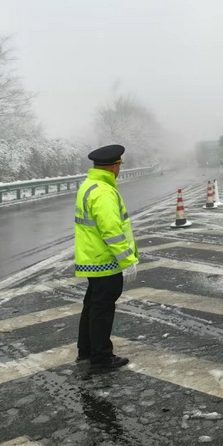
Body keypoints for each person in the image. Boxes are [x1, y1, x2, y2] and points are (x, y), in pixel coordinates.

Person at [74, 144, 139, 369]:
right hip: (106, 261)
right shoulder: (104, 192)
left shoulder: (89, 185)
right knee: (102, 310)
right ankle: (101, 357)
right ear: (114, 166)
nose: (119, 169)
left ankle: (86, 351)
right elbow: (111, 231)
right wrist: (127, 261)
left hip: (93, 259)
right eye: (119, 165)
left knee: (92, 306)